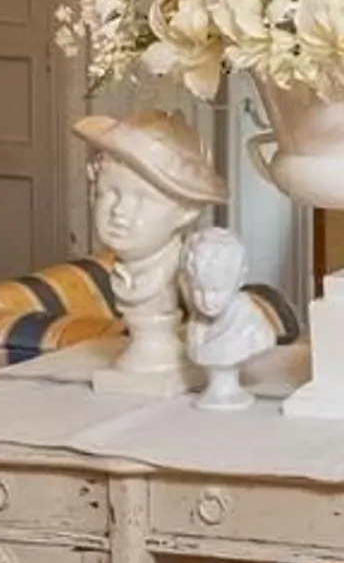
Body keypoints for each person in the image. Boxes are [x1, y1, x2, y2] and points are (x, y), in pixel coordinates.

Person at [76, 113, 225, 395]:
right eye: (108, 192)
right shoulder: (118, 269)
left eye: (141, 198)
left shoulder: (190, 275)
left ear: (186, 210)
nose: (119, 211)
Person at [181, 225, 276, 411]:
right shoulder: (195, 325)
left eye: (217, 290)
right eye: (199, 290)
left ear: (239, 280)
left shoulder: (253, 328)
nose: (207, 301)